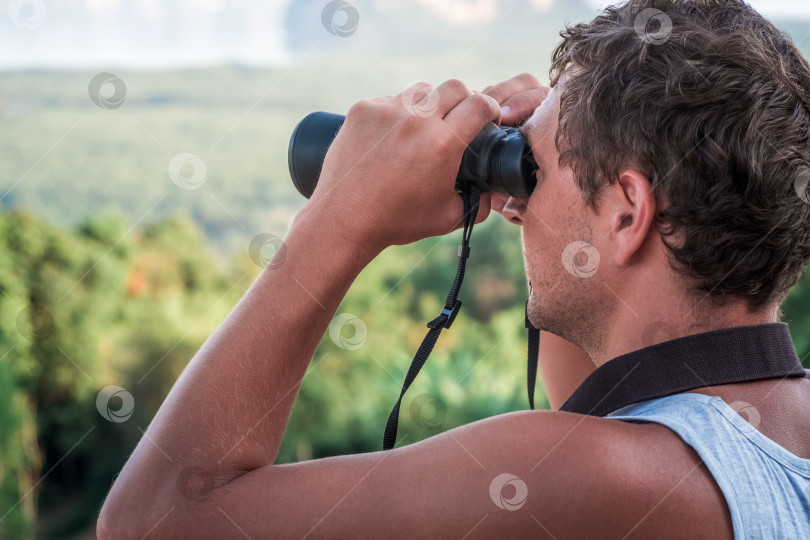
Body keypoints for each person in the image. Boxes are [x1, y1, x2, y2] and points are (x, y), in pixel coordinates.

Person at [98, 0, 810, 537]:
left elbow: (154, 519)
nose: (523, 202)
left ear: (628, 214)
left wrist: (338, 220)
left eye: (534, 172)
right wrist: (557, 168)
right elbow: (605, 392)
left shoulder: (600, 475)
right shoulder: (749, 436)